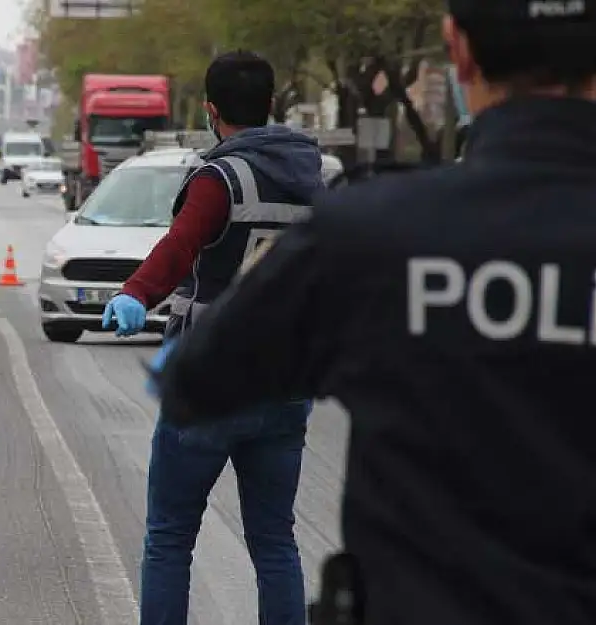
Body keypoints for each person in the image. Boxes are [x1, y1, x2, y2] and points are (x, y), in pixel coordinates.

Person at [152, 2, 596, 624]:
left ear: (458, 49)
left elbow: (195, 378)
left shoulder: (374, 233)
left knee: (175, 535)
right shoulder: (339, 208)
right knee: (274, 541)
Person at [100, 51, 325, 625]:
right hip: (285, 380)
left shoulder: (219, 178)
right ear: (272, 106)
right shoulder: (311, 178)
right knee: (275, 542)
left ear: (211, 110)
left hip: (211, 381)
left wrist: (135, 294)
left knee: (170, 537)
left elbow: (179, 246)